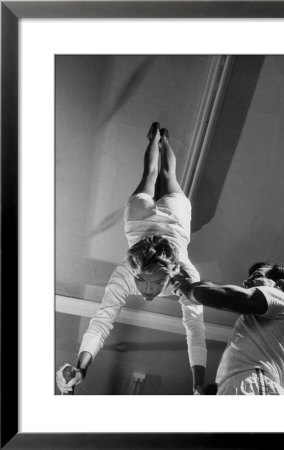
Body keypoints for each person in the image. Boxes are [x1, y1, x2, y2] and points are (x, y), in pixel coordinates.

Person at [56, 122, 206, 395]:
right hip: (173, 220)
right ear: (134, 273)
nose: (147, 290)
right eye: (143, 282)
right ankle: (160, 139)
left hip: (141, 220)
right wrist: (82, 367)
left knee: (154, 173)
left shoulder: (180, 275)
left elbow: (195, 328)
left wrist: (199, 384)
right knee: (163, 173)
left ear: (171, 275)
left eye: (155, 284)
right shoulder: (133, 273)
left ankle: (160, 139)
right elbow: (102, 321)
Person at [172, 262, 284, 395]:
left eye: (256, 276)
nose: (245, 282)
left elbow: (231, 297)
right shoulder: (260, 327)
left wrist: (189, 289)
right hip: (246, 384)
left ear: (278, 284)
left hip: (254, 382)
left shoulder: (281, 298)